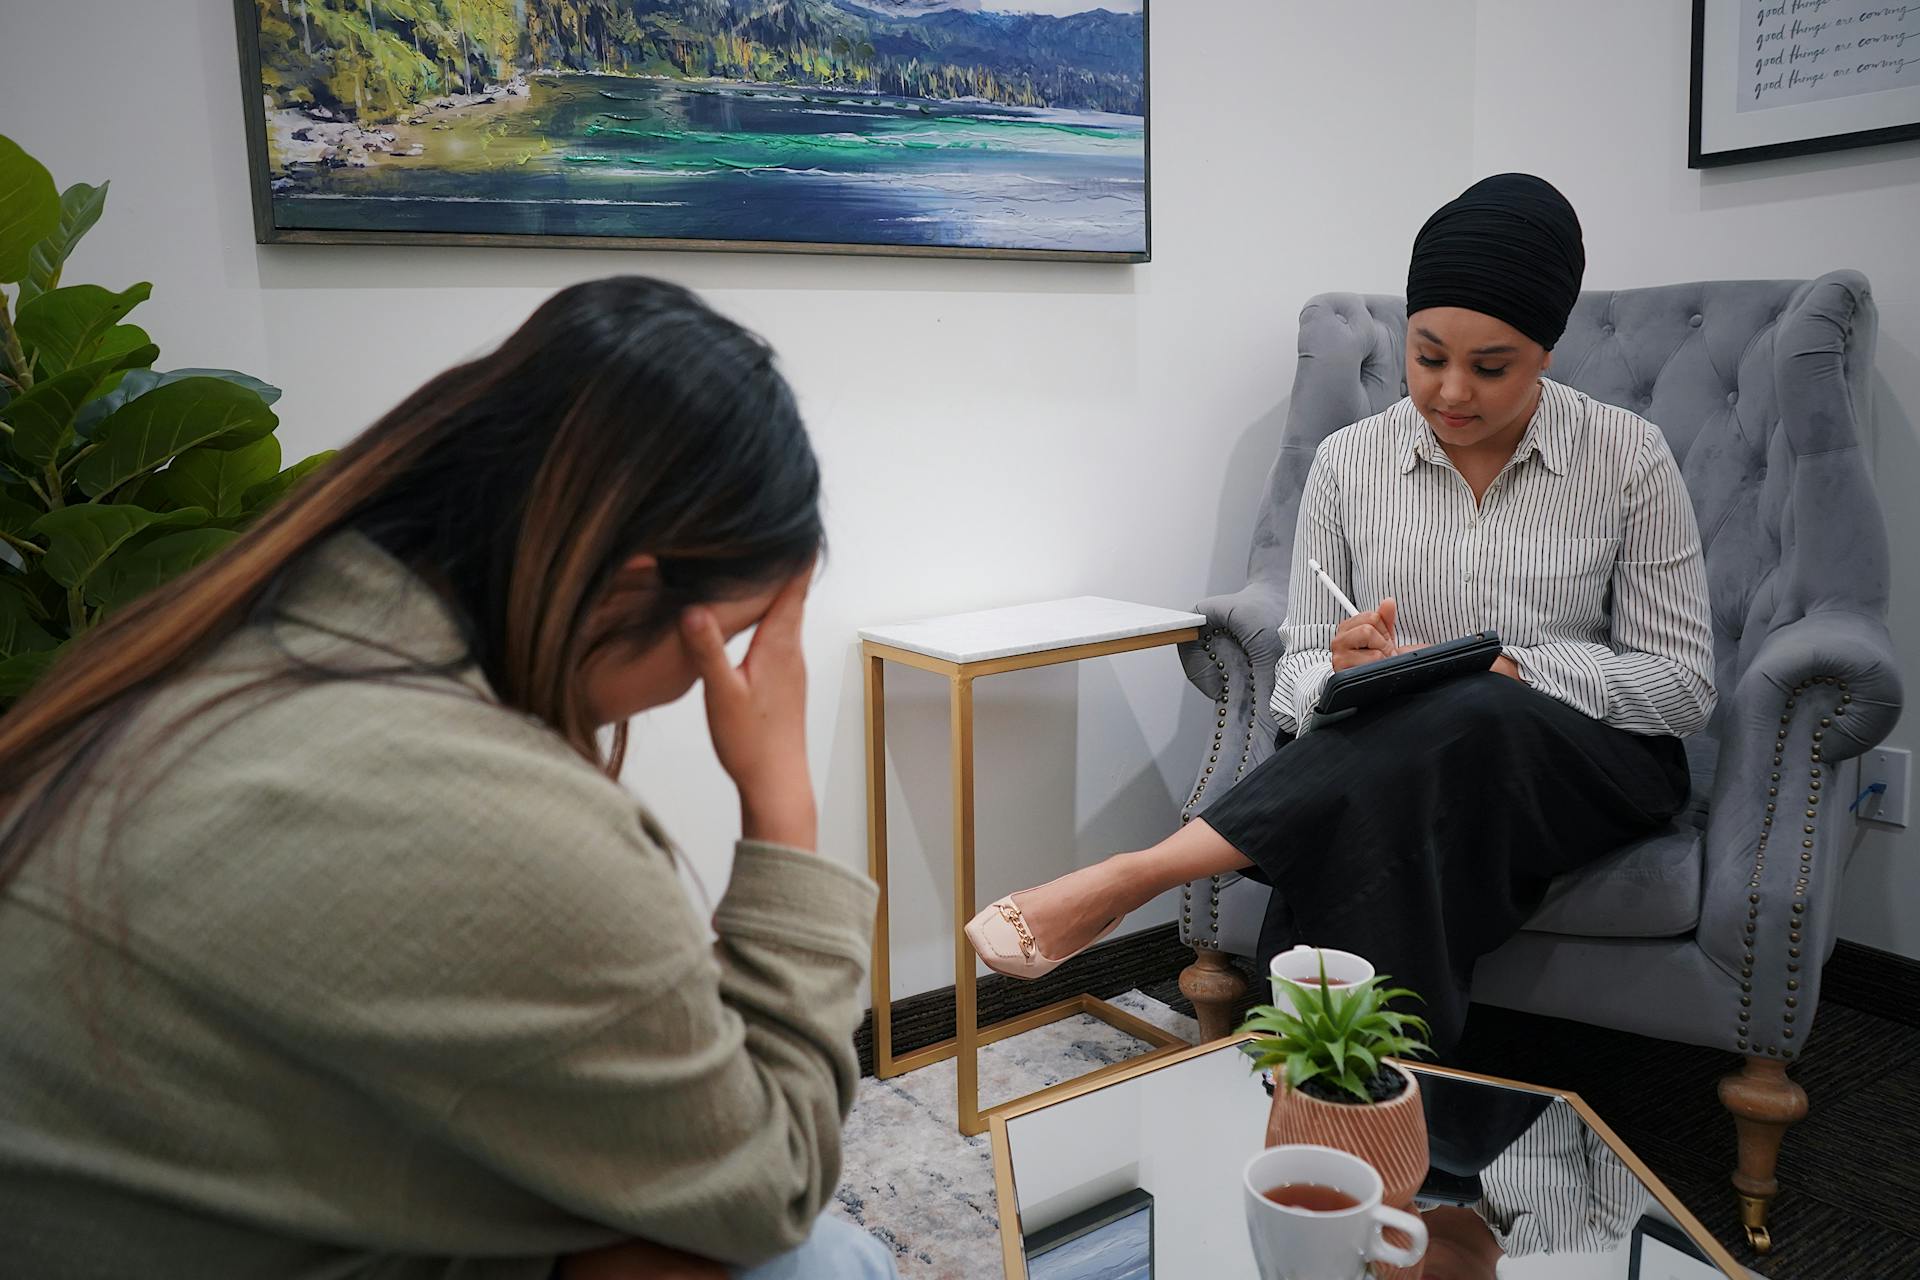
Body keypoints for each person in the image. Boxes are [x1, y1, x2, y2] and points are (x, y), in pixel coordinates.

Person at [0, 278, 895, 1280]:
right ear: (635, 590)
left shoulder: (239, 632)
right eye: (723, 644)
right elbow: (771, 1179)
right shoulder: (501, 821)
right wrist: (783, 802)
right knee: (816, 1260)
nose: (714, 686)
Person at [966, 174, 1716, 1054]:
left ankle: (1144, 871)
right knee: (1393, 798)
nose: (1451, 393)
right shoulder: (1350, 463)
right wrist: (1342, 673)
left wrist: (1517, 669)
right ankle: (1395, 1124)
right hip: (1410, 770)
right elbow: (1300, 682)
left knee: (1471, 705)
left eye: (1490, 367)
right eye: (1428, 356)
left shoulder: (1629, 458)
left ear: (1546, 350)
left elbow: (1683, 688)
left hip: (1589, 765)